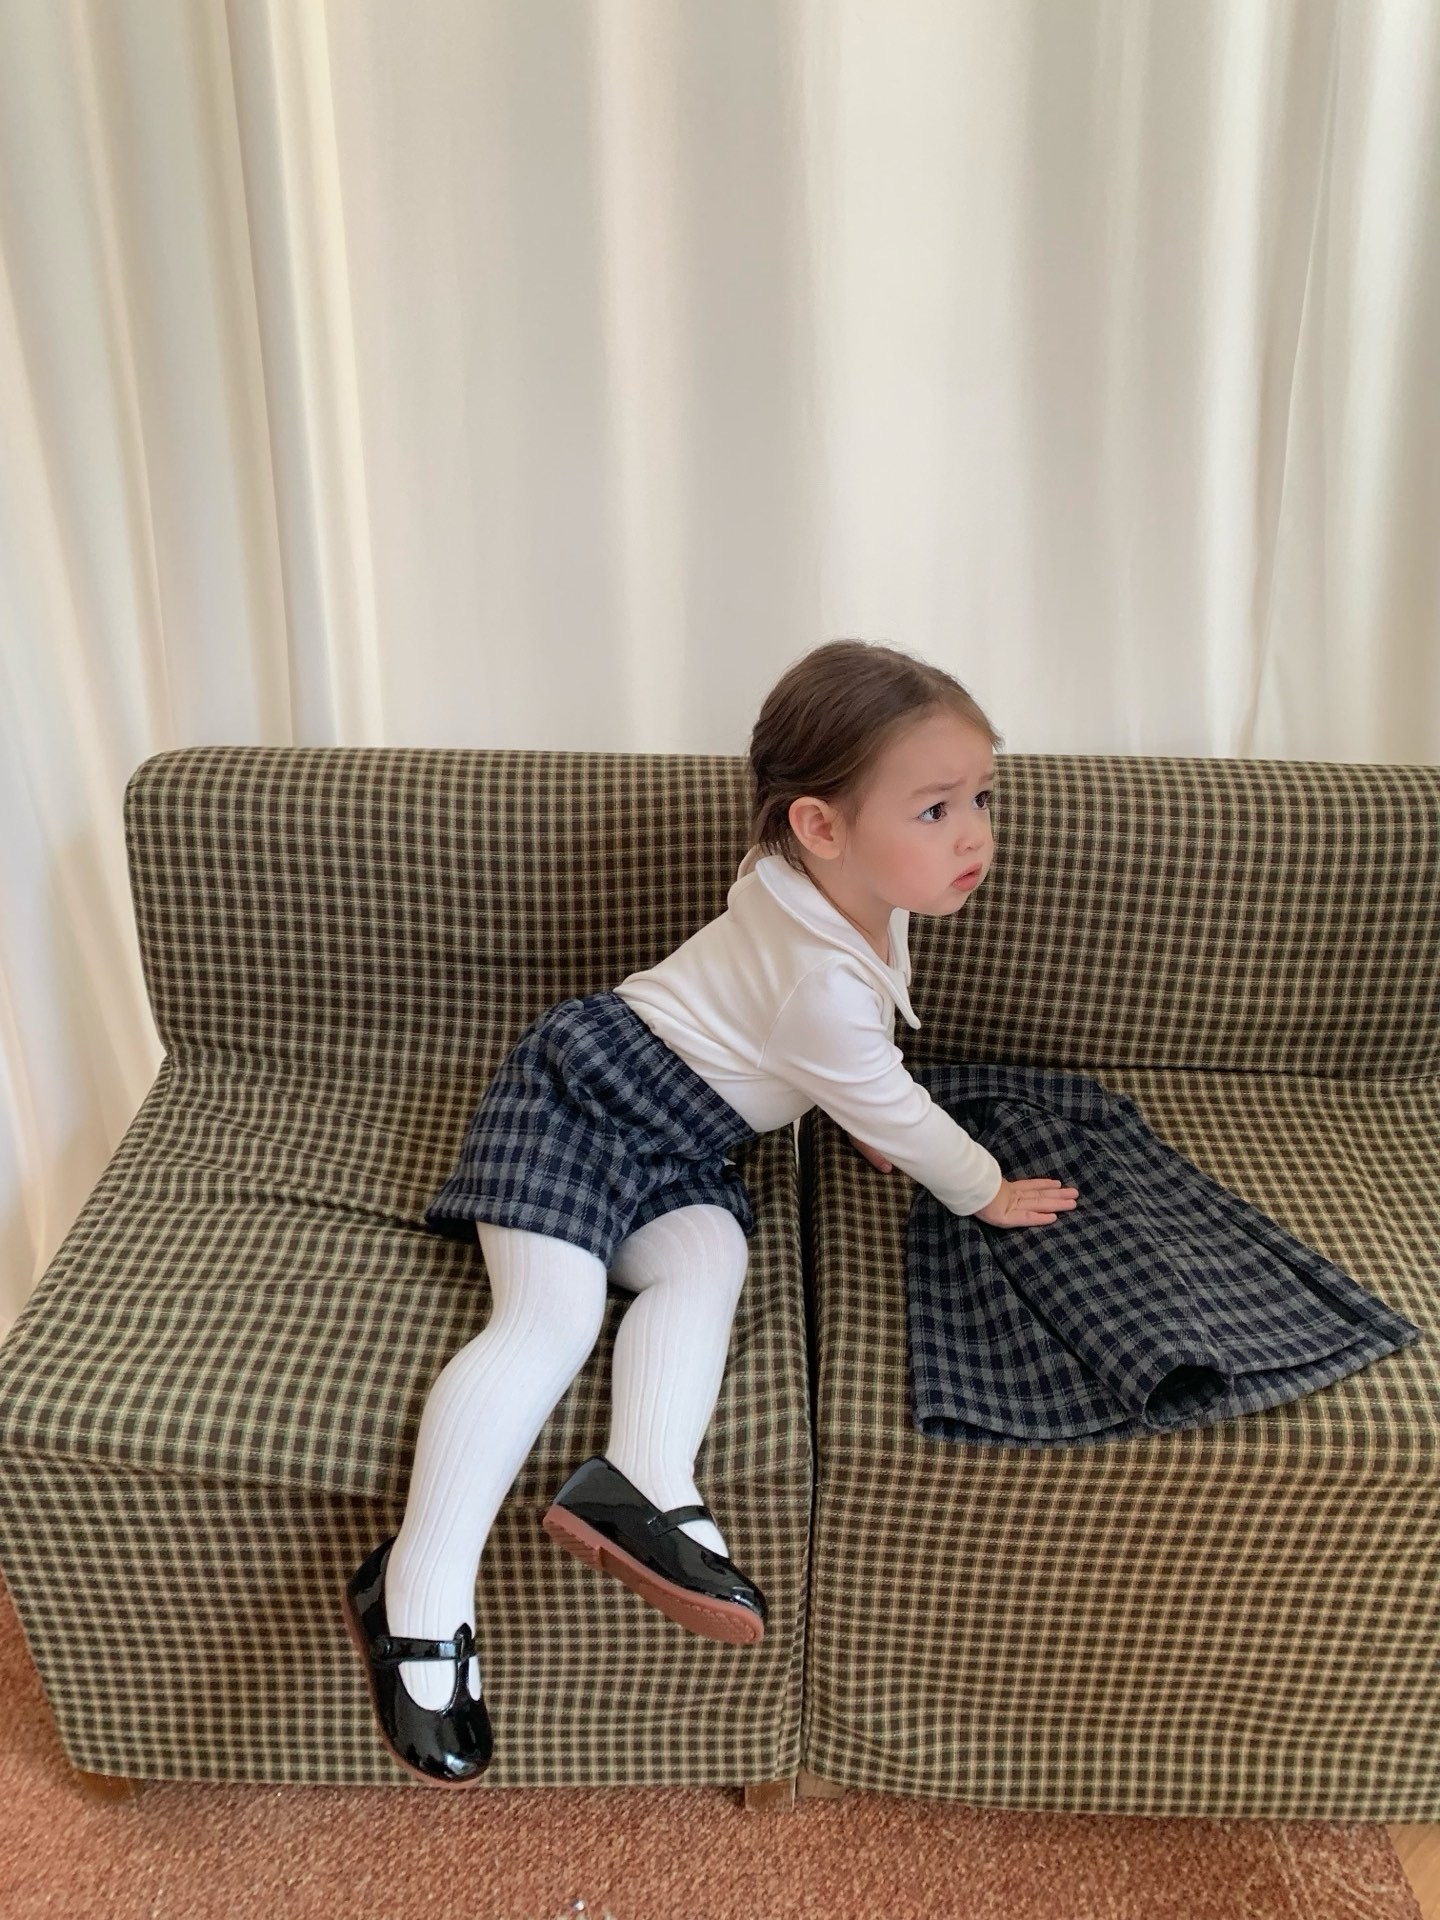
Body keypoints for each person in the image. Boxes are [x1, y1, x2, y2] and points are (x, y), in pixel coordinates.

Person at [342, 638, 1079, 1785]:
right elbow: (872, 1077)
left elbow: (837, 1061)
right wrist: (981, 1187)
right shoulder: (819, 972)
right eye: (936, 810)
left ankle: (645, 1478)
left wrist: (857, 1104)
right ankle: (416, 1597)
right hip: (581, 1104)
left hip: (681, 1137)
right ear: (818, 825)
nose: (976, 834)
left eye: (984, 797)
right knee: (549, 1322)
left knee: (709, 1259)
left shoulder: (829, 888)